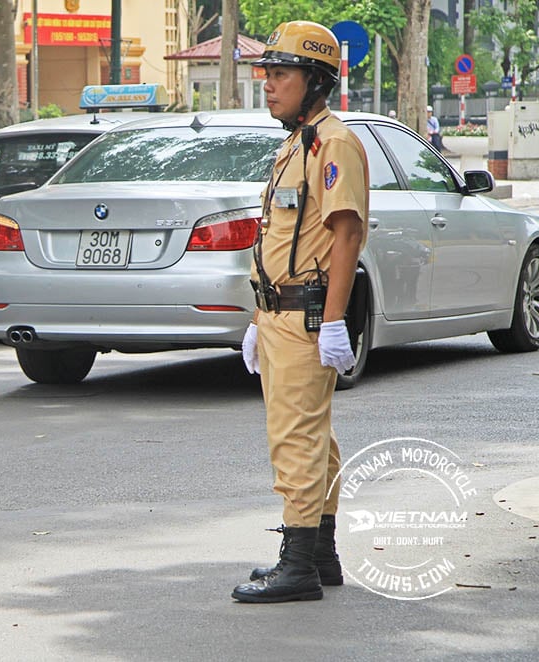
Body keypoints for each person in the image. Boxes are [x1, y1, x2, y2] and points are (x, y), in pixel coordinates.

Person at [233, 20, 369, 603]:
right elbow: (286, 239)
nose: (267, 85)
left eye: (280, 74)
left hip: (307, 317)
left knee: (294, 438)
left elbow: (345, 235)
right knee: (317, 438)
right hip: (280, 316)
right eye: (266, 74)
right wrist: (257, 316)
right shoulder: (297, 142)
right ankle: (322, 554)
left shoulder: (331, 143)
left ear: (315, 81)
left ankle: (297, 568)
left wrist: (334, 319)